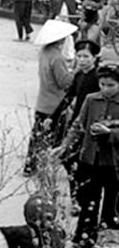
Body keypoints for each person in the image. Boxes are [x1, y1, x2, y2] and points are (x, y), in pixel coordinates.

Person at [56, 62, 119, 248]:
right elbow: (78, 125)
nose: (106, 89)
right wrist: (64, 146)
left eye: (111, 85)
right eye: (102, 84)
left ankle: (108, 243)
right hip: (90, 160)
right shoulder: (91, 100)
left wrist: (110, 133)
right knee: (88, 200)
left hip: (114, 163)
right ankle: (85, 237)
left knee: (111, 203)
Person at [24, 20, 76, 176]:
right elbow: (64, 82)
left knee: (37, 136)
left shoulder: (44, 53)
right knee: (56, 137)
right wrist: (75, 71)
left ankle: (30, 165)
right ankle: (56, 167)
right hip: (55, 104)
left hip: (43, 101)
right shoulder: (57, 58)